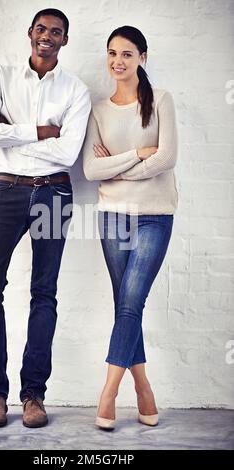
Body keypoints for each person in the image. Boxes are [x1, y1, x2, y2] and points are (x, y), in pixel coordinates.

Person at [0, 8, 91, 428]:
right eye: (42, 29)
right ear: (30, 33)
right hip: (6, 191)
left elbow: (68, 153)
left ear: (64, 40)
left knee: (44, 291)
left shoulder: (76, 90)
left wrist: (13, 130)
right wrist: (40, 130)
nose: (47, 36)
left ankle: (34, 395)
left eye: (56, 32)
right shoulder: (0, 76)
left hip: (53, 194)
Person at [83, 26, 178, 430]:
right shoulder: (99, 110)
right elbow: (90, 169)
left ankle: (107, 394)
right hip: (114, 217)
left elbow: (168, 158)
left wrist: (117, 168)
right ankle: (143, 388)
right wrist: (138, 153)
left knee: (129, 303)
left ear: (142, 56)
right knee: (128, 305)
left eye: (126, 53)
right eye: (111, 53)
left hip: (156, 214)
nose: (117, 61)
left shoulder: (160, 100)